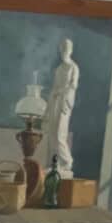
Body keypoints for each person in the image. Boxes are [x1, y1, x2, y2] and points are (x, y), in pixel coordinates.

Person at [44, 38, 79, 177]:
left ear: (71, 50)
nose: (64, 51)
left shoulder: (73, 67)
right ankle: (56, 164)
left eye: (67, 49)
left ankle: (67, 161)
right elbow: (54, 88)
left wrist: (64, 100)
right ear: (60, 50)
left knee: (59, 135)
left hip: (64, 102)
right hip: (55, 101)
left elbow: (73, 87)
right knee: (52, 135)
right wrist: (47, 109)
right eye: (62, 49)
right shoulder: (58, 69)